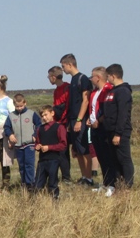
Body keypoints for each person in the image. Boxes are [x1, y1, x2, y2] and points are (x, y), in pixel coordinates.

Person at [99, 64, 134, 194]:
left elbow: (122, 114)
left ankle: (128, 186)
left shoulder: (123, 91)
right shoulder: (112, 91)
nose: (107, 79)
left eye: (108, 76)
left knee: (124, 159)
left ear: (113, 76)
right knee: (114, 160)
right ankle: (118, 185)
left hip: (120, 131)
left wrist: (118, 133)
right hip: (109, 131)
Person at [60, 53, 94, 186]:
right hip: (72, 119)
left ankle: (89, 178)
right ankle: (84, 176)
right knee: (77, 149)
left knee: (84, 149)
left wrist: (79, 120)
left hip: (80, 119)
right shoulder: (73, 80)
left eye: (63, 66)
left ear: (70, 64)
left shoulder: (82, 79)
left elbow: (85, 100)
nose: (63, 69)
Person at [3, 93, 41, 190]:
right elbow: (6, 127)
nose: (19, 108)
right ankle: (24, 183)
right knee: (22, 165)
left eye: (21, 106)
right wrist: (10, 135)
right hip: (18, 145)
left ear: (25, 103)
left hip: (29, 144)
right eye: (17, 106)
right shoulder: (11, 116)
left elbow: (39, 124)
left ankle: (30, 184)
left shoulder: (31, 114)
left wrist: (35, 135)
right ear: (14, 105)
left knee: (29, 164)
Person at [87, 67, 113, 193]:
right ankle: (106, 182)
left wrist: (99, 120)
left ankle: (112, 182)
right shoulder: (94, 92)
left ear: (98, 78)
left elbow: (106, 109)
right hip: (93, 127)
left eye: (92, 76)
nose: (91, 79)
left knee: (108, 156)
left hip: (102, 127)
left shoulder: (108, 90)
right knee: (100, 156)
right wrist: (90, 119)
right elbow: (93, 108)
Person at [34, 105, 68, 200]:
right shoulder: (40, 129)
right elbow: (37, 142)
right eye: (42, 116)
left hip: (54, 159)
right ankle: (37, 201)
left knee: (53, 182)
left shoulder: (59, 127)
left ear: (52, 113)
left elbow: (63, 144)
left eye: (46, 115)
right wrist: (37, 146)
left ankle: (55, 200)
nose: (44, 117)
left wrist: (49, 147)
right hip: (42, 160)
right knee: (38, 183)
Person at [48, 66, 72, 183]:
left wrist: (62, 121)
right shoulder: (56, 90)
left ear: (53, 77)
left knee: (64, 150)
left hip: (64, 123)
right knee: (59, 150)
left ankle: (66, 177)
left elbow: (68, 106)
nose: (48, 79)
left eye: (49, 77)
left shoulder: (67, 88)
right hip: (58, 122)